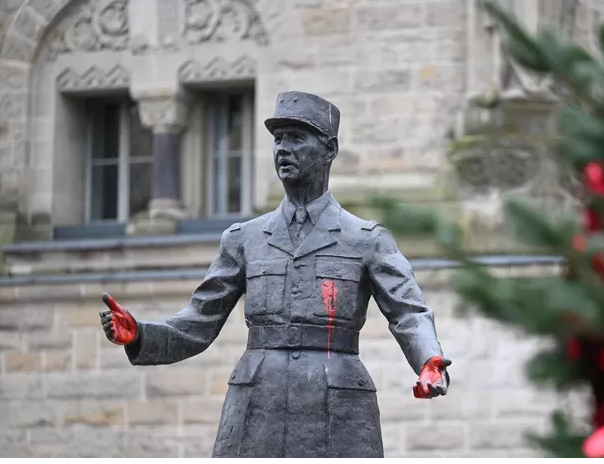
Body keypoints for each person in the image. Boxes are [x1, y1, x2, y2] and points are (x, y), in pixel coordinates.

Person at [99, 91, 451, 458]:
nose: (282, 149)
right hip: (256, 405)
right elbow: (198, 322)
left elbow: (409, 311)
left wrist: (430, 360)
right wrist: (140, 334)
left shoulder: (366, 240)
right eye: (278, 139)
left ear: (329, 150)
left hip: (340, 409)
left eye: (296, 138)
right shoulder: (243, 239)